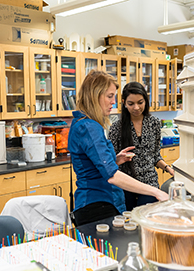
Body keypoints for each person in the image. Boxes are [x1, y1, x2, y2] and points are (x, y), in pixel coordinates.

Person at [68, 71, 169, 226]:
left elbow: (94, 165)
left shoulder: (84, 123)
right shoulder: (89, 127)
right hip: (96, 204)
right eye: (110, 96)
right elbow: (112, 175)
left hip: (102, 203)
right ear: (95, 95)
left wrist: (115, 160)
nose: (113, 102)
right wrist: (156, 191)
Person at [109, 81, 174, 211]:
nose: (136, 108)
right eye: (131, 104)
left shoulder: (154, 123)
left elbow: (155, 155)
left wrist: (168, 168)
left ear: (146, 101)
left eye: (140, 102)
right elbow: (111, 161)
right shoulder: (117, 127)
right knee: (129, 224)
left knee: (147, 221)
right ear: (123, 102)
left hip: (149, 183)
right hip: (126, 185)